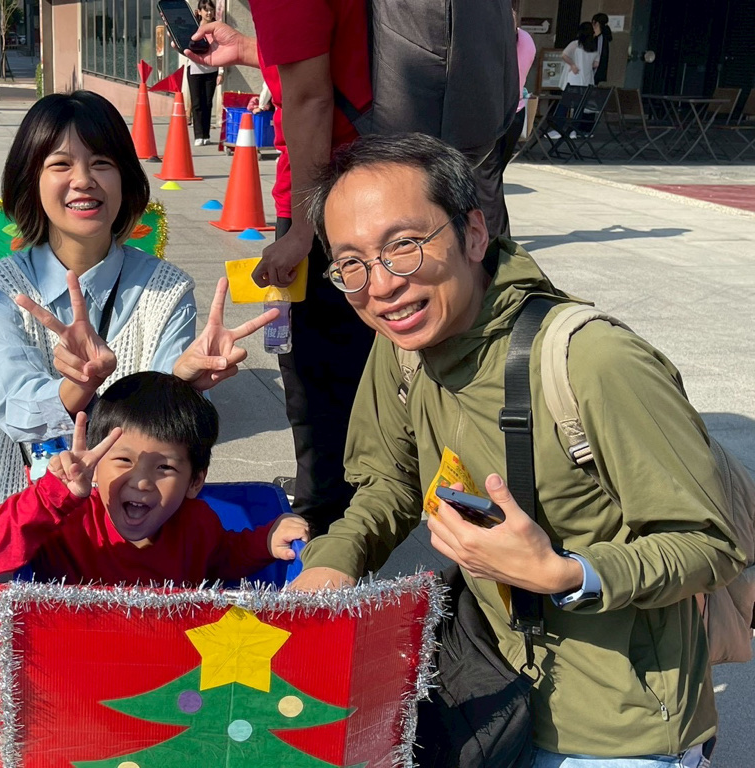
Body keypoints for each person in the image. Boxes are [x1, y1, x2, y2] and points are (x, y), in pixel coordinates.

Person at [289, 133, 744, 765]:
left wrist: (567, 574)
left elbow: (710, 543)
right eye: (352, 264)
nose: (381, 285)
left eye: (404, 245)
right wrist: (335, 561)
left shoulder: (591, 361)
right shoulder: (402, 348)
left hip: (618, 726)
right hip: (489, 689)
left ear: (474, 234)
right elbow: (390, 482)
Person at [0, 91, 276, 518]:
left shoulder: (167, 289)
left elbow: (162, 431)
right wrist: (79, 385)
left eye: (101, 163)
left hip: (133, 520)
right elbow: (14, 408)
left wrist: (180, 383)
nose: (83, 179)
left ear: (125, 179)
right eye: (60, 164)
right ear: (30, 181)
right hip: (26, 518)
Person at [0, 371, 310, 708]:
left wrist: (264, 541)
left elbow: (223, 557)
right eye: (122, 460)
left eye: (164, 467)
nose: (141, 481)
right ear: (95, 463)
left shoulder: (198, 523)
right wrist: (49, 498)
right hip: (68, 671)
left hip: (149, 672)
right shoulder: (66, 518)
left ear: (195, 482)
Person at [184, 4, 377, 536]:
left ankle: (326, 519)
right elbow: (332, 61)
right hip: (374, 183)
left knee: (312, 370)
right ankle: (344, 493)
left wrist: (303, 229)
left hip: (329, 197)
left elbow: (311, 96)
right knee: (354, 360)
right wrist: (249, 50)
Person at [472, 0, 537, 238]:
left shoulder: (488, 41)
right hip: (515, 114)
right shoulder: (526, 40)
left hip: (489, 118)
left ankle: (498, 242)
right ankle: (487, 238)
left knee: (487, 184)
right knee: (491, 181)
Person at [186, 0, 221, 145]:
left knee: (207, 102)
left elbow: (222, 50)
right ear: (199, 12)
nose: (209, 12)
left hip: (212, 69)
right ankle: (198, 135)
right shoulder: (193, 27)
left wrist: (221, 71)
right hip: (194, 69)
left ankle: (206, 134)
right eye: (206, 10)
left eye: (211, 10)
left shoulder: (218, 28)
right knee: (197, 103)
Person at [561, 22, 599, 88]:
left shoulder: (576, 44)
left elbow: (564, 55)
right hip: (588, 78)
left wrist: (572, 65)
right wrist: (587, 65)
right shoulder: (594, 48)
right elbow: (596, 64)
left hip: (575, 76)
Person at [592, 13, 613, 85]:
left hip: (595, 68)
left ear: (597, 23)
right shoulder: (604, 36)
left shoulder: (600, 38)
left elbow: (599, 53)